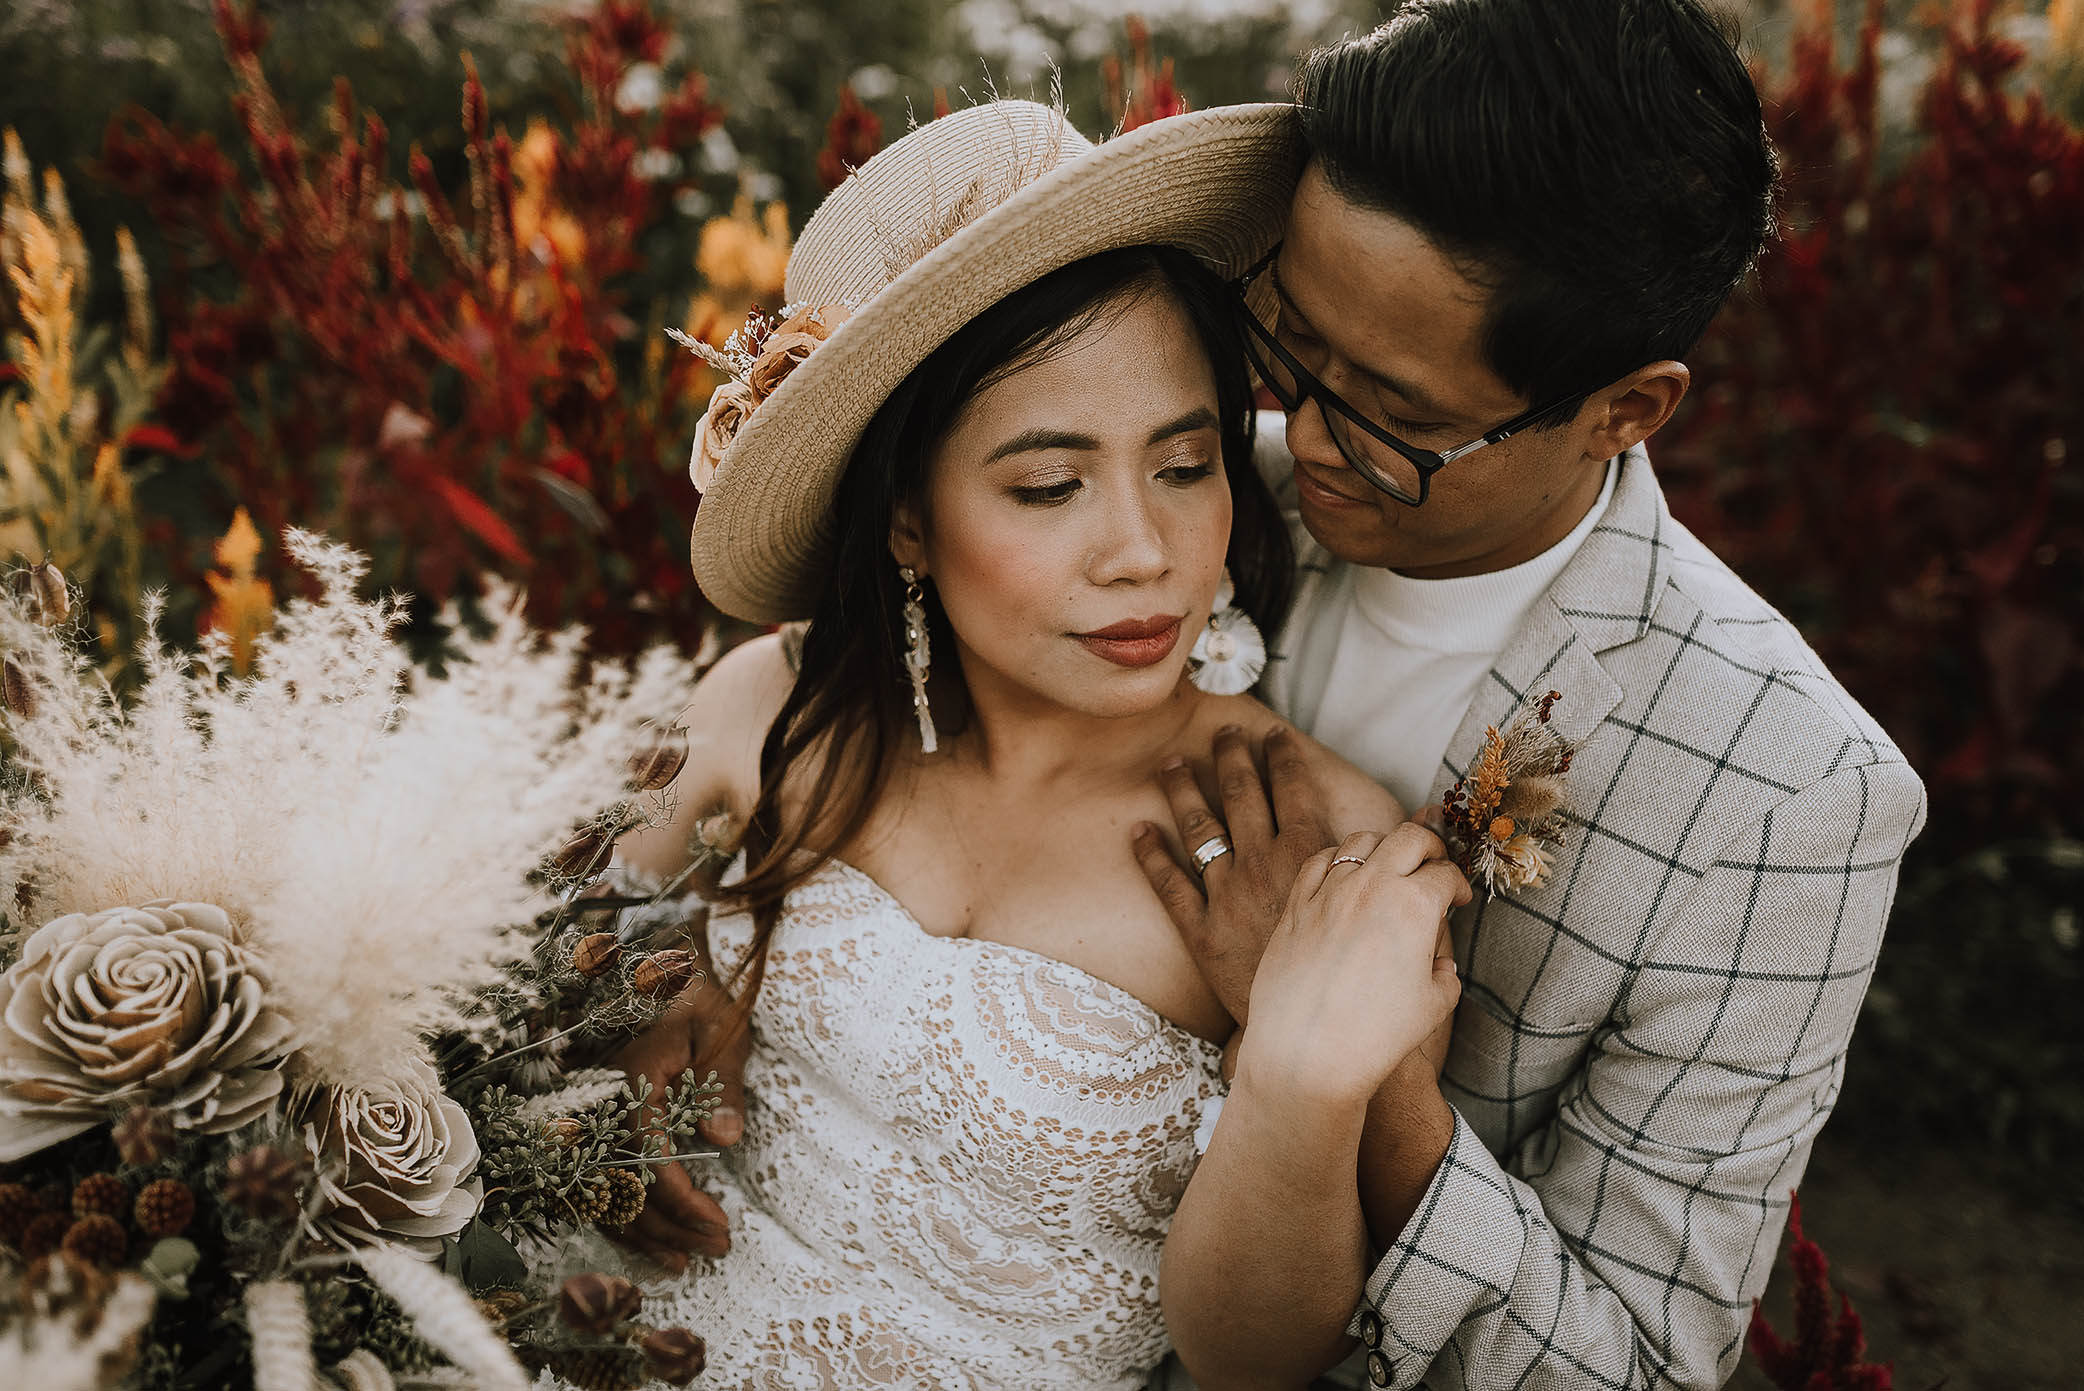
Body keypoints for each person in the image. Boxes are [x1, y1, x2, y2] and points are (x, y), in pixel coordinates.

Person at [594, 100, 1463, 1390]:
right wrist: (631, 1020)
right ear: (903, 517)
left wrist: (1297, 1080)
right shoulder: (771, 705)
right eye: (1050, 486)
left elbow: (1254, 1367)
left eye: (1185, 464)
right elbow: (536, 946)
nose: (1145, 551)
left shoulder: (1323, 850)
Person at [1131, 3, 1928, 1389]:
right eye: (1289, 337)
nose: (1301, 433)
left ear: (1627, 411)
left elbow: (1629, 1363)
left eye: (1395, 417)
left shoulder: (1790, 798)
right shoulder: (1179, 502)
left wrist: (1342, 1062)